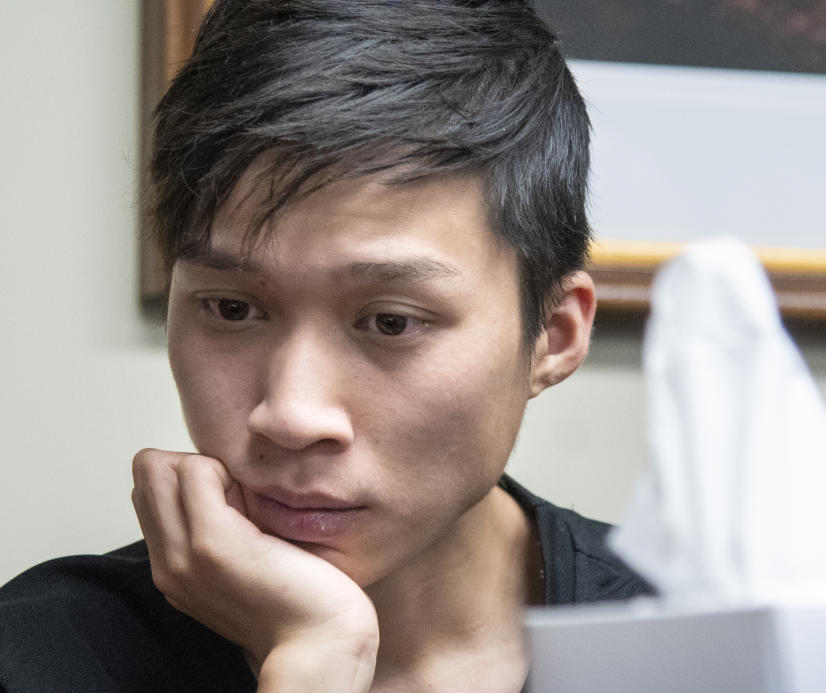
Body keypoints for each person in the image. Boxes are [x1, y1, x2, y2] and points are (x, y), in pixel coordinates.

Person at [0, 1, 653, 690]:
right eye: (231, 307)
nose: (290, 413)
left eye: (391, 321)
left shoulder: (701, 639)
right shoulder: (41, 658)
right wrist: (315, 655)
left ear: (551, 334)